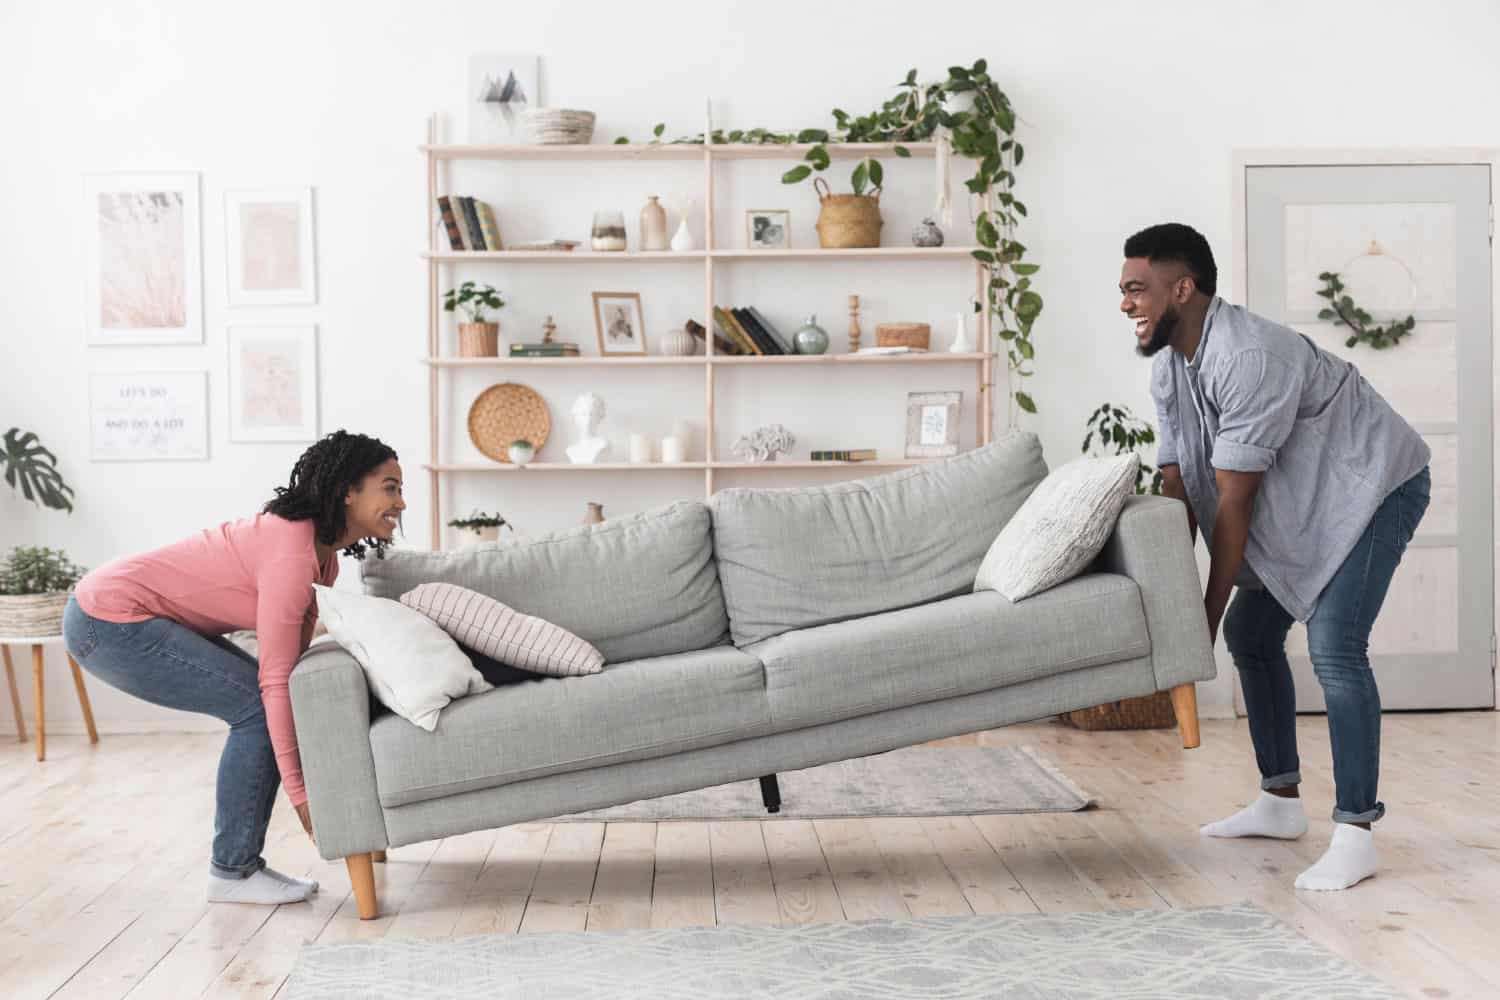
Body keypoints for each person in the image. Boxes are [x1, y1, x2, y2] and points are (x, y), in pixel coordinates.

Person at [1121, 223, 1430, 891]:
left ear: (1183, 288)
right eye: (1123, 291)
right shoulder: (1170, 370)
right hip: (1308, 498)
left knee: (1335, 645)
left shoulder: (1249, 357)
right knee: (1252, 633)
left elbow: (1233, 504)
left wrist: (1198, 625)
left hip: (1374, 485)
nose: (1126, 303)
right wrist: (1177, 613)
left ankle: (1355, 830)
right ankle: (1280, 801)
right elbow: (1178, 489)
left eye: (1136, 289)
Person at [62, 430, 405, 905]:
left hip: (124, 613)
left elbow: (293, 668)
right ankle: (234, 871)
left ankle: (238, 867)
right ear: (348, 490)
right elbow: (277, 682)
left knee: (260, 704)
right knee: (256, 707)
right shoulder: (292, 553)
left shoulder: (321, 559)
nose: (401, 502)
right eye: (390, 487)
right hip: (108, 619)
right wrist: (303, 795)